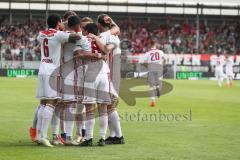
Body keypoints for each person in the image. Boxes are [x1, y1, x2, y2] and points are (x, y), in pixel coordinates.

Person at [36, 14, 81, 147]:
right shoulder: (59, 35)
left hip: (42, 70)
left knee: (44, 103)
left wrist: (62, 28)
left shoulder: (41, 34)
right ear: (58, 23)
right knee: (52, 102)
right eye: (61, 22)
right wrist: (67, 29)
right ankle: (43, 136)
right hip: (52, 72)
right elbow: (77, 37)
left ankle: (40, 135)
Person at [74, 22, 115, 146]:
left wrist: (93, 55)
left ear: (86, 31)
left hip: (91, 75)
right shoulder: (100, 40)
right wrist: (99, 55)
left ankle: (89, 138)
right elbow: (106, 56)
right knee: (103, 109)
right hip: (103, 75)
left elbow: (79, 54)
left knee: (89, 109)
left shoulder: (82, 39)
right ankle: (102, 138)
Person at [96, 14, 125, 144]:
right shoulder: (113, 35)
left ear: (98, 25)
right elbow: (116, 28)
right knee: (110, 106)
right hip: (113, 73)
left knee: (110, 106)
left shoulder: (106, 36)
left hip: (111, 74)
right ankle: (114, 135)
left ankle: (118, 136)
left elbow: (106, 50)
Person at [144, 41, 166, 107]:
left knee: (151, 86)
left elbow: (144, 62)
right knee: (159, 82)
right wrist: (162, 65)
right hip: (159, 68)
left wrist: (148, 66)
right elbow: (165, 59)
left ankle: (152, 101)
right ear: (155, 45)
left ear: (150, 45)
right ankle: (158, 87)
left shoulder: (147, 53)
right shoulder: (160, 52)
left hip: (151, 68)